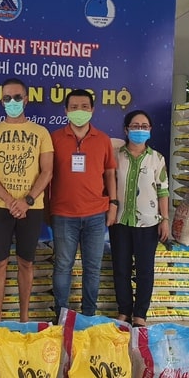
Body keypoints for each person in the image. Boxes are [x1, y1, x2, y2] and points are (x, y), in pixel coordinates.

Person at [0, 78, 54, 322]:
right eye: (7, 98)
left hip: (31, 208)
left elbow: (47, 171)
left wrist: (27, 200)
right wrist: (11, 200)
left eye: (17, 97)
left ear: (27, 99)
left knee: (26, 263)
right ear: (1, 101)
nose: (12, 102)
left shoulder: (41, 132)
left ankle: (24, 319)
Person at [49, 89, 117, 318]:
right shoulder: (54, 138)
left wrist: (114, 204)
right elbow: (45, 175)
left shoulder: (104, 140)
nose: (80, 111)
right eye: (74, 107)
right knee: (62, 267)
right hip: (63, 214)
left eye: (85, 107)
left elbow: (109, 174)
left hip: (96, 214)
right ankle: (62, 316)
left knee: (92, 268)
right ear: (66, 110)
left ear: (93, 110)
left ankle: (88, 315)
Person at [109, 109, 169, 328]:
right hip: (120, 221)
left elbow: (163, 191)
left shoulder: (157, 159)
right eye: (135, 126)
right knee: (121, 268)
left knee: (145, 270)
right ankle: (124, 311)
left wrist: (165, 219)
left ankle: (140, 314)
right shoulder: (116, 156)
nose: (140, 130)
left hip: (148, 223)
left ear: (150, 130)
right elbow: (109, 184)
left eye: (144, 126)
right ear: (126, 130)